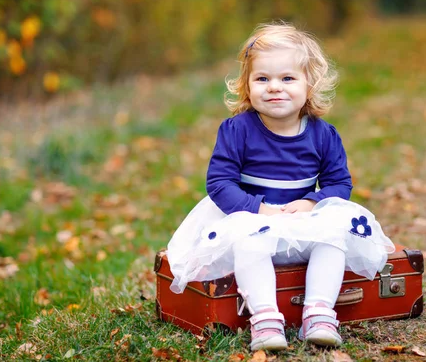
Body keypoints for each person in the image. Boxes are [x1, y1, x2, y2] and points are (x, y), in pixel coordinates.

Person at [167, 22, 395, 351]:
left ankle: (318, 313)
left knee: (332, 239)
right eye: (263, 79)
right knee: (250, 242)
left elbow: (338, 183)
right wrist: (257, 209)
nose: (275, 87)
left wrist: (313, 203)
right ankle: (265, 318)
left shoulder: (323, 134)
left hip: (300, 221)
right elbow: (219, 182)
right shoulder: (237, 130)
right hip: (249, 218)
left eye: (287, 78)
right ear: (247, 85)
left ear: (309, 85)